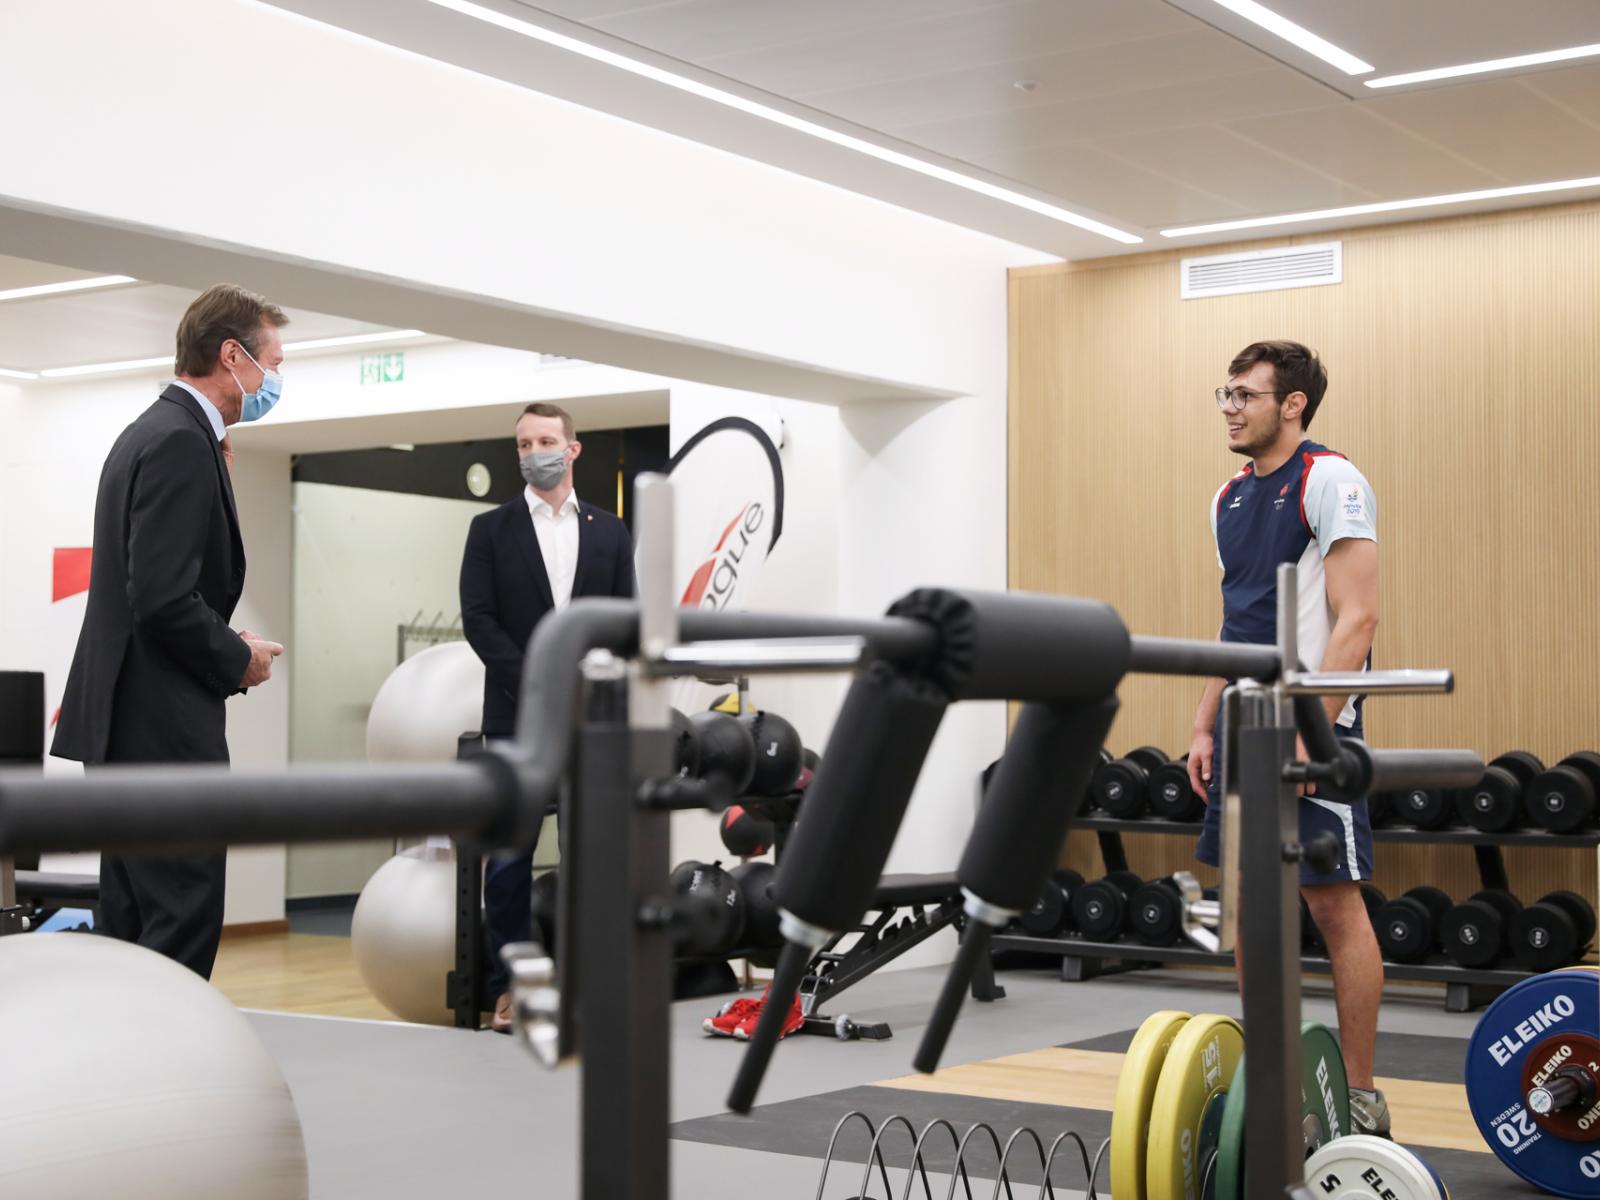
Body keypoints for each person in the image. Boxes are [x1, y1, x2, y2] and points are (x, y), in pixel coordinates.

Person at [53, 283, 288, 979]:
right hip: (159, 729)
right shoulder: (182, 442)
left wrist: (223, 639)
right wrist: (234, 659)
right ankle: (174, 1073)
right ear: (231, 356)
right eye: (274, 363)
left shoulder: (148, 433)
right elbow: (160, 600)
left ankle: (131, 1074)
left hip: (126, 725)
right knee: (180, 917)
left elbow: (150, 592)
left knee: (132, 920)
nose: (278, 380)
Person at [1185, 340, 1390, 1137]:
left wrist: (1317, 735)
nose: (1229, 407)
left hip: (1312, 726)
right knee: (1249, 908)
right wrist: (1205, 720)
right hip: (1243, 723)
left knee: (1333, 907)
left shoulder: (1330, 480)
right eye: (1224, 393)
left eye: (1245, 394)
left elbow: (1359, 617)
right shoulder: (1227, 497)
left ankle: (1364, 1097)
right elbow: (1236, 622)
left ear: (1292, 404)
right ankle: (1274, 1081)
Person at [459, 401, 635, 1032]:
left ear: (573, 448)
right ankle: (513, 990)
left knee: (590, 859)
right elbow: (479, 622)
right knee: (507, 864)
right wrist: (541, 682)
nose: (535, 452)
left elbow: (623, 622)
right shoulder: (490, 530)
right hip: (516, 722)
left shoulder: (610, 532)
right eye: (525, 444)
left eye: (545, 441)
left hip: (591, 724)